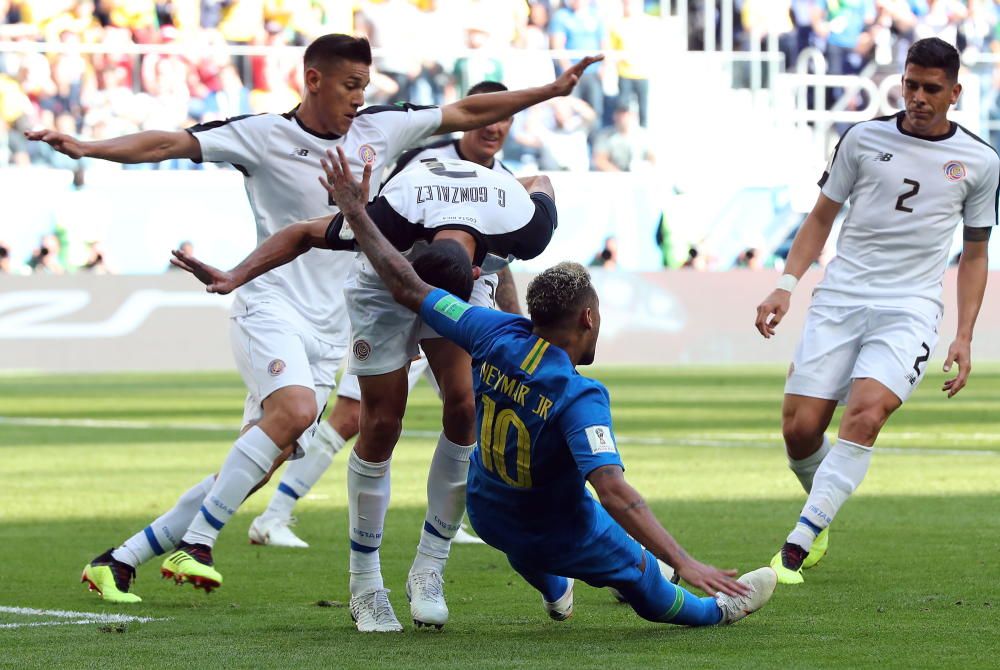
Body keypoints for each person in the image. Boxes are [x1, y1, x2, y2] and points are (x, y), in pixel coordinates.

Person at [38, 33, 601, 606]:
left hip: (343, 320)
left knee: (258, 460)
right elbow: (167, 144)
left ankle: (122, 558)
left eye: (366, 85)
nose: (360, 97)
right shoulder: (262, 134)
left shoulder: (383, 128)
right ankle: (200, 543)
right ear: (313, 79)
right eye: (351, 85)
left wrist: (551, 91)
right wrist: (88, 147)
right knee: (299, 412)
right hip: (273, 303)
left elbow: (468, 110)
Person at [315, 145, 777, 629]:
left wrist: (355, 213)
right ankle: (719, 611)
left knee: (524, 526)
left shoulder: (489, 332)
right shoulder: (581, 397)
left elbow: (408, 285)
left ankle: (557, 588)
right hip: (554, 531)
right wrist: (684, 561)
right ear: (589, 318)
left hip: (489, 516)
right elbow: (615, 491)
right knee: (644, 576)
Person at [170, 152, 559, 632]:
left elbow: (540, 179)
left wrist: (493, 185)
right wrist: (235, 276)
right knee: (380, 422)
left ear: (480, 272)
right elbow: (299, 233)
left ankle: (429, 568)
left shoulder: (524, 225)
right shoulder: (387, 219)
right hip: (386, 280)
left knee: (464, 408)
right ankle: (365, 583)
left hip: (456, 277)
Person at [754, 38, 997, 585]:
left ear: (955, 92)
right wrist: (786, 285)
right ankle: (821, 505)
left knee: (866, 414)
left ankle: (803, 536)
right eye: (911, 84)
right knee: (800, 429)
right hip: (840, 297)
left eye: (931, 88)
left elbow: (976, 252)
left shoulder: (980, 162)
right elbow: (820, 217)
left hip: (909, 307)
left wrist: (963, 335)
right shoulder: (862, 139)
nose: (917, 97)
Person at [250, 80, 521, 550]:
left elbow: (501, 261)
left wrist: (515, 323)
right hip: (396, 299)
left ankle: (457, 519)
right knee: (357, 415)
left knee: (474, 405)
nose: (494, 127)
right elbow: (377, 229)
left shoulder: (503, 184)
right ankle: (275, 514)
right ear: (470, 117)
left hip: (456, 304)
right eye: (486, 117)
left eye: (504, 120)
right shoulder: (424, 158)